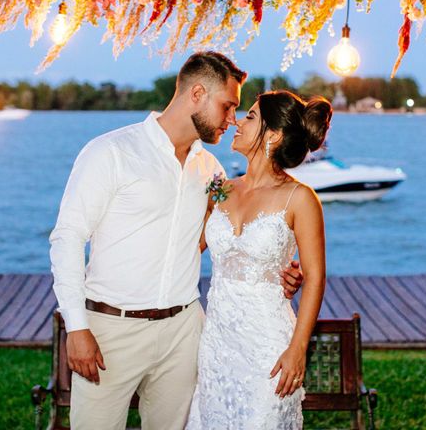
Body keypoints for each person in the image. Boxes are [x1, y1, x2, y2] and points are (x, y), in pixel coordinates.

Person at [49, 51, 303, 430]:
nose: (232, 119)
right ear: (197, 93)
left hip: (184, 333)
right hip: (110, 330)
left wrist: (277, 271)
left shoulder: (211, 171)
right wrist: (77, 326)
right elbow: (67, 237)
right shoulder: (111, 152)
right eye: (228, 106)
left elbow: (221, 241)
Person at [186, 91, 330, 429]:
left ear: (274, 134)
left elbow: (316, 278)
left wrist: (297, 349)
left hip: (268, 343)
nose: (237, 121)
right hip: (217, 344)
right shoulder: (220, 190)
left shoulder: (300, 198)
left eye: (250, 116)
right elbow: (189, 249)